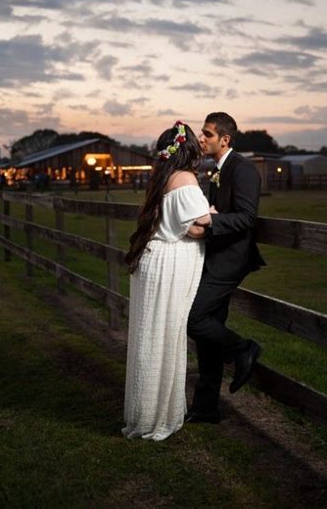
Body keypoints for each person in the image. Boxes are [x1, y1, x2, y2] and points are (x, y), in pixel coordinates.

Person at [122, 121, 211, 441]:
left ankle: (143, 412)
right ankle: (157, 416)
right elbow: (195, 228)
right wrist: (210, 214)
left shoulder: (161, 178)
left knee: (150, 337)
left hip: (152, 261)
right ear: (188, 150)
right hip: (169, 265)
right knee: (164, 337)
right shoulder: (185, 178)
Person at [186, 112, 265, 424]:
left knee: (193, 319)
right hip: (212, 256)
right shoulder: (215, 169)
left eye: (207, 134)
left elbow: (246, 218)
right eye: (202, 133)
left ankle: (244, 348)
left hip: (230, 259)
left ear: (225, 140)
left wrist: (208, 222)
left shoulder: (243, 169)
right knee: (208, 334)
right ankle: (205, 408)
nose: (201, 138)